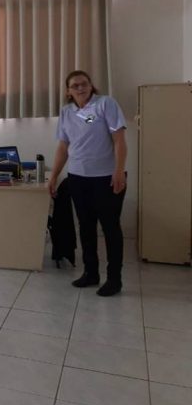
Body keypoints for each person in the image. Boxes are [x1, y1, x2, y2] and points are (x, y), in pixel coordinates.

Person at [48, 70, 127, 297]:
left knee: (110, 228)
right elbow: (63, 147)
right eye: (75, 85)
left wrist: (119, 170)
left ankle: (114, 279)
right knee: (85, 226)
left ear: (91, 85)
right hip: (78, 177)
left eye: (84, 84)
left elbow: (119, 140)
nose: (80, 88)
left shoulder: (105, 105)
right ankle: (91, 273)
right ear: (68, 91)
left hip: (106, 178)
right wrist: (54, 176)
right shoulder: (67, 112)